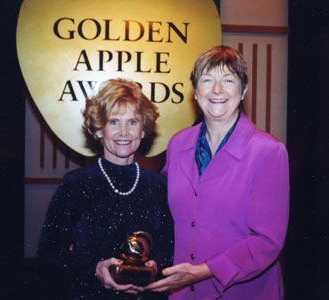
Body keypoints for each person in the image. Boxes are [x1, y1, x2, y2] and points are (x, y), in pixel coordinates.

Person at [145, 46, 290, 299]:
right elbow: (162, 215)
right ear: (195, 90)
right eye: (207, 80)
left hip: (244, 292)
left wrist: (203, 271)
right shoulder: (178, 144)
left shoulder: (268, 151)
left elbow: (267, 241)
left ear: (243, 90)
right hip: (183, 292)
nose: (217, 90)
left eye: (229, 80)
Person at [37, 78, 174, 300]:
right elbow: (49, 250)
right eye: (113, 122)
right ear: (99, 130)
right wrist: (95, 268)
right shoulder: (76, 184)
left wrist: (156, 265)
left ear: (143, 130)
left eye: (132, 122)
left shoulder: (159, 186)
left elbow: (170, 247)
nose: (123, 132)